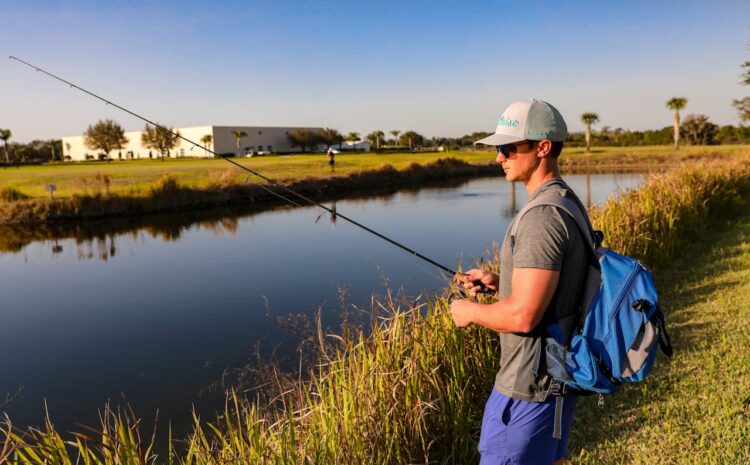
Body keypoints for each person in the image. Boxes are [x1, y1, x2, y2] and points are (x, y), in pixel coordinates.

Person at [450, 99, 590, 465]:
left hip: (526, 390)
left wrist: (467, 311)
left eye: (508, 148)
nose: (499, 157)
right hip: (554, 380)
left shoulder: (541, 217)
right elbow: (557, 291)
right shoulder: (566, 201)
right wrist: (500, 282)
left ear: (543, 147)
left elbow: (524, 316)